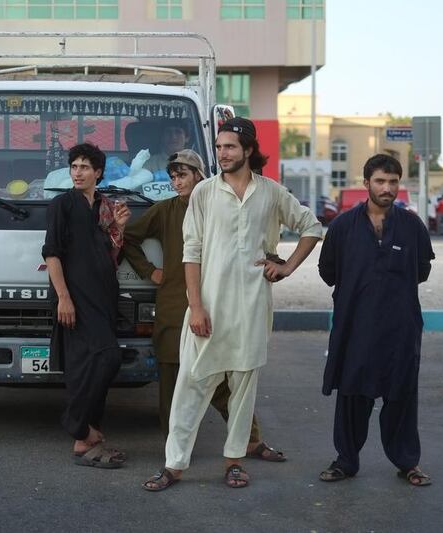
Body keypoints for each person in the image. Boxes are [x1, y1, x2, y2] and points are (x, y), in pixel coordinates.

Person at [141, 118, 322, 491]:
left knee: (243, 388)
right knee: (191, 385)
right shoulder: (205, 193)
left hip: (253, 308)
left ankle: (234, 461)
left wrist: (286, 267)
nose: (222, 154)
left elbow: (311, 227)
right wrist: (197, 307)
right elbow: (191, 253)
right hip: (208, 307)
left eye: (230, 147)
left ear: (249, 150)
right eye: (219, 147)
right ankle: (174, 465)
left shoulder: (271, 193)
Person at [122, 149, 287, 462]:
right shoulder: (166, 210)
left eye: (183, 174)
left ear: (200, 175)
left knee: (227, 375)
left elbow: (256, 241)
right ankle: (175, 448)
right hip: (175, 305)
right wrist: (150, 272)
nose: (176, 181)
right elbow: (129, 237)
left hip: (220, 301)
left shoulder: (221, 205)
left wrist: (275, 262)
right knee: (174, 379)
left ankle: (250, 441)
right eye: (172, 176)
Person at [318, 153, 435, 487]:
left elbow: (422, 271)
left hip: (401, 328)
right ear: (365, 182)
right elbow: (328, 273)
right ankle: (345, 461)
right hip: (356, 327)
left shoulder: (412, 226)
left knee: (401, 396)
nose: (387, 188)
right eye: (381, 181)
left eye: (394, 181)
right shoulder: (342, 226)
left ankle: (407, 463)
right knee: (353, 395)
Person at [42, 143, 132, 469]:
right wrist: (63, 297)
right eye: (74, 166)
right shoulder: (61, 205)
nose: (78, 172)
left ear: (98, 173)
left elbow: (110, 254)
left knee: (92, 365)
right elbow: (52, 254)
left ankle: (89, 435)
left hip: (104, 296)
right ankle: (79, 430)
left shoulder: (104, 208)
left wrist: (118, 229)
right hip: (76, 297)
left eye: (84, 167)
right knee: (104, 357)